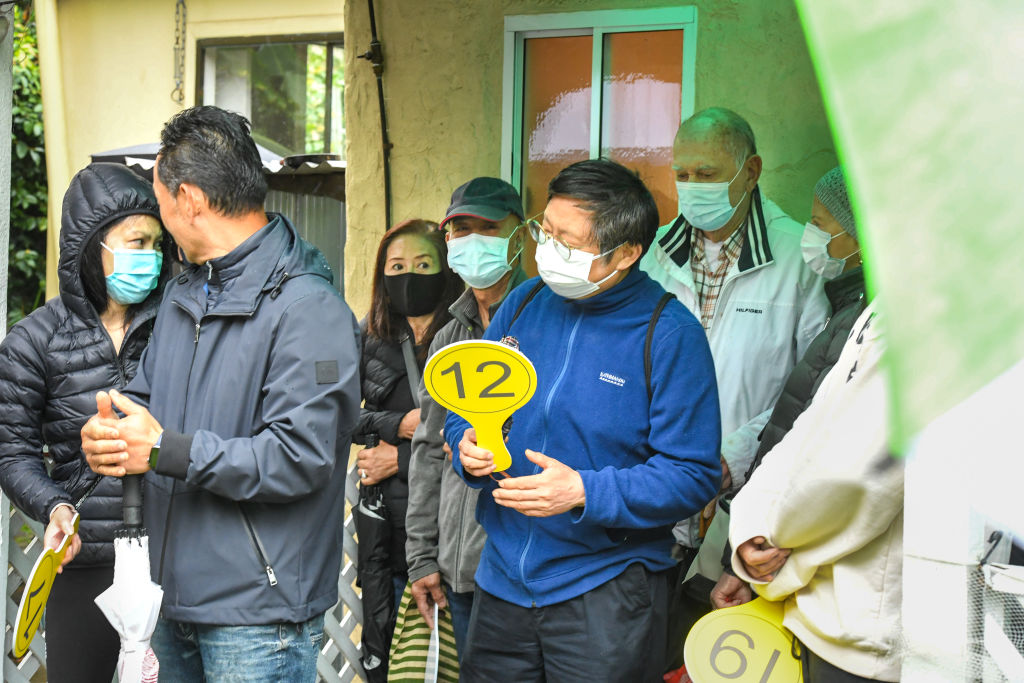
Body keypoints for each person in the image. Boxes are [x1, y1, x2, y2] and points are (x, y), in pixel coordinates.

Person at [79, 106, 360, 682]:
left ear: (190, 200)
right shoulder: (184, 297)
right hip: (167, 599)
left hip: (257, 616)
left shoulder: (310, 310)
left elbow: (299, 458)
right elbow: (145, 403)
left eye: (160, 202)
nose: (162, 216)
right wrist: (110, 428)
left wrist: (163, 451)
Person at [448, 159, 721, 681]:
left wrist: (583, 493)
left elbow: (693, 474)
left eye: (567, 244)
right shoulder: (524, 304)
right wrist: (466, 447)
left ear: (626, 253)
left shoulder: (668, 333)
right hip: (503, 579)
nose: (547, 252)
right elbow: (466, 408)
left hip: (605, 593)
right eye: (544, 232)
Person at [639, 107, 829, 653]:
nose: (692, 187)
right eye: (683, 174)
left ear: (751, 171)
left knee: (715, 644)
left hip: (747, 493)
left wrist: (736, 452)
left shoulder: (797, 256)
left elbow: (811, 382)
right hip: (656, 482)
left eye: (708, 173)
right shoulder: (653, 255)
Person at [0, 162, 171, 682]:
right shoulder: (33, 340)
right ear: (92, 246)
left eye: (158, 245)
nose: (152, 257)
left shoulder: (182, 325)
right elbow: (12, 451)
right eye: (137, 242)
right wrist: (51, 504)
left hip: (172, 563)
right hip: (84, 564)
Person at [711, 166, 867, 609]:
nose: (810, 234)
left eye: (820, 224)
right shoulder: (845, 304)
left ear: (859, 237)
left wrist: (753, 543)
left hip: (780, 548)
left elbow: (806, 431)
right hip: (761, 535)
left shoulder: (862, 319)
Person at [729, 302, 901, 681]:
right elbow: (812, 422)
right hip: (815, 615)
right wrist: (749, 527)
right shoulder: (885, 303)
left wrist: (771, 547)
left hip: (862, 632)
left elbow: (854, 474)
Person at [404, 177, 527, 658]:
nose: (473, 241)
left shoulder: (546, 323)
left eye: (488, 228)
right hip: (456, 573)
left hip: (520, 570)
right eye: (460, 230)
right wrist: (421, 556)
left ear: (520, 234)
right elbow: (429, 452)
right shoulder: (449, 337)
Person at [352, 218, 463, 678]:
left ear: (445, 268)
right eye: (396, 266)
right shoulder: (369, 336)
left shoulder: (462, 335)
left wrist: (397, 457)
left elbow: (463, 441)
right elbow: (339, 417)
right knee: (395, 659)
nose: (409, 275)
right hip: (386, 532)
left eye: (423, 263)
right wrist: (401, 423)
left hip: (447, 533)